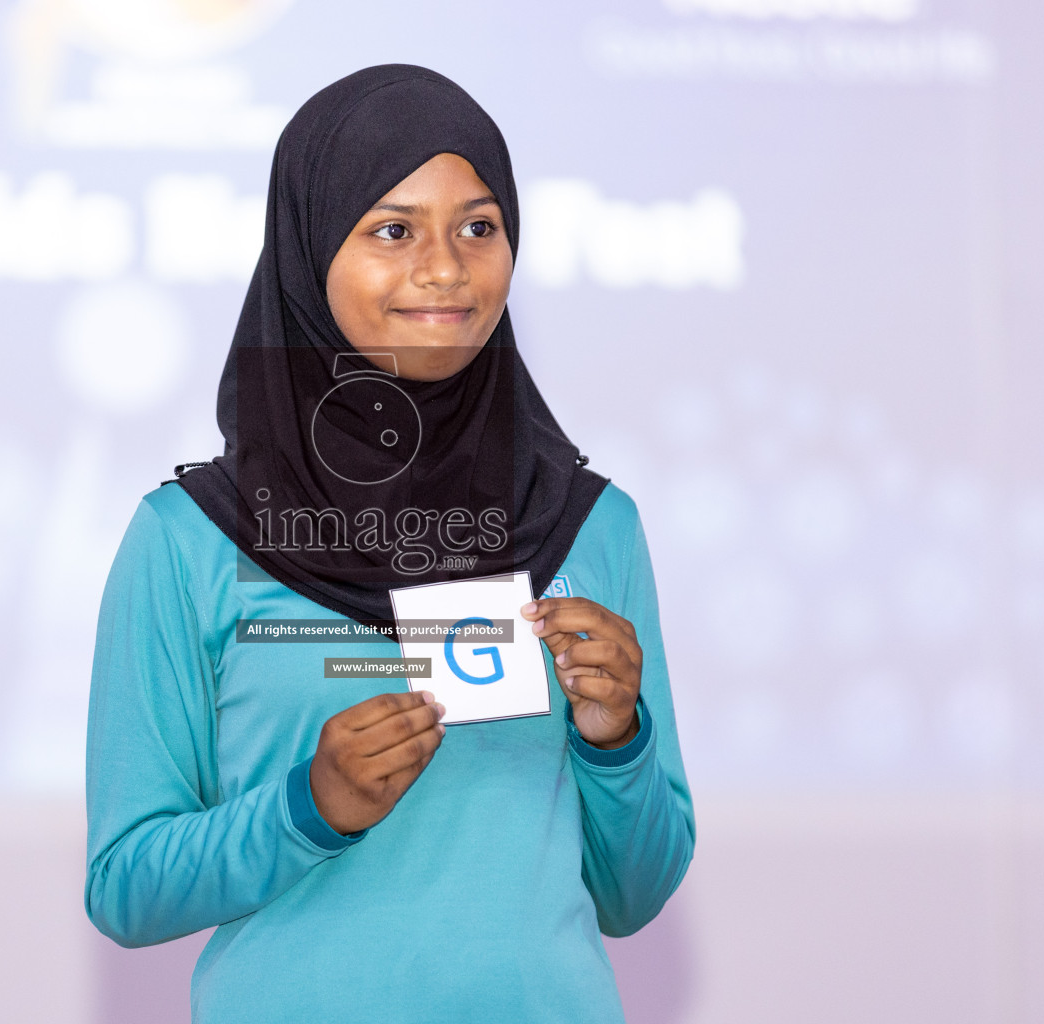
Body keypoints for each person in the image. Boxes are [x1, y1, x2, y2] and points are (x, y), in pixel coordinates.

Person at [85, 64, 695, 1024]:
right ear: (311, 249)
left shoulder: (587, 524)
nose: (446, 267)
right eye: (393, 229)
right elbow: (125, 887)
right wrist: (305, 808)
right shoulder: (192, 539)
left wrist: (618, 740)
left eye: (479, 227)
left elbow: (634, 896)